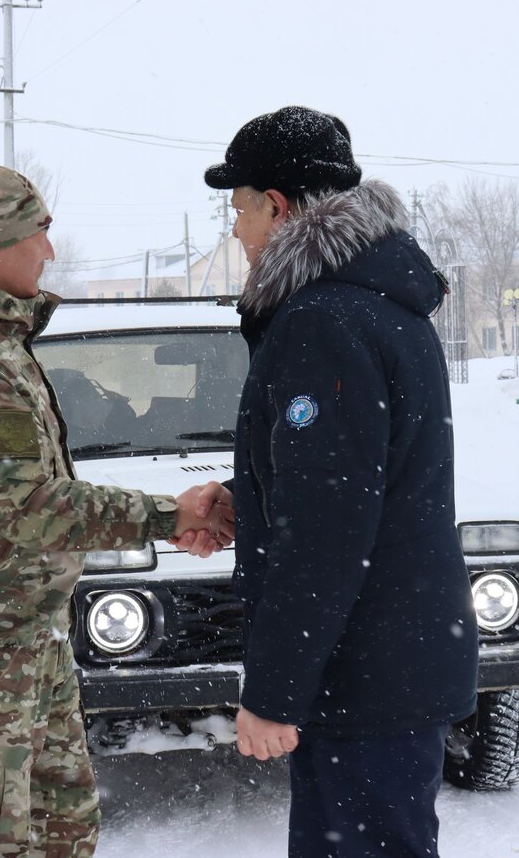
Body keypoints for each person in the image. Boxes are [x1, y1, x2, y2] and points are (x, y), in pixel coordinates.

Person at [0, 165, 233, 858]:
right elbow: (33, 508)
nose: (50, 251)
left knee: (62, 828)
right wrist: (170, 514)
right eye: (38, 234)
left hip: (20, 633)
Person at [189, 106, 480, 858]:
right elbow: (350, 479)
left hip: (365, 675)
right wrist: (246, 497)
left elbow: (327, 527)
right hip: (386, 661)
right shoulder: (375, 304)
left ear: (278, 207)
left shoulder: (325, 322)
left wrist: (275, 690)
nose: (238, 232)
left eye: (242, 209)